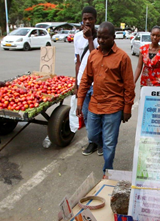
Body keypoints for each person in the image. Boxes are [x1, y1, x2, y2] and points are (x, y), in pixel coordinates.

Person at [76, 22, 135, 176]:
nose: (101, 41)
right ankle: (104, 146)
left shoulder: (123, 57)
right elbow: (85, 80)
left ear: (113, 37)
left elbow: (129, 86)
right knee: (92, 135)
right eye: (100, 37)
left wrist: (127, 108)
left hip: (114, 107)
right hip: (95, 104)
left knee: (109, 142)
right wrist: (80, 101)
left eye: (105, 38)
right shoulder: (93, 55)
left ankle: (107, 170)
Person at [73, 6, 100, 156]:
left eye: (90, 18)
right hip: (83, 83)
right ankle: (93, 142)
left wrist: (90, 38)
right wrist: (76, 83)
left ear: (95, 20)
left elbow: (94, 59)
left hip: (96, 84)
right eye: (85, 19)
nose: (87, 21)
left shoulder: (99, 38)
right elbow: (77, 61)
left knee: (96, 115)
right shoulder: (77, 37)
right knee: (85, 114)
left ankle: (98, 142)